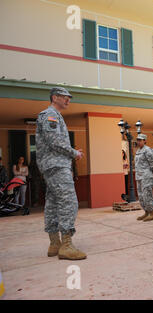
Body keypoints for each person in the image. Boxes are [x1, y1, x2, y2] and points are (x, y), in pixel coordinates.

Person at [36, 87, 85, 260]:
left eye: (69, 98)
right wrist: (74, 153)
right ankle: (66, 244)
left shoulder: (53, 115)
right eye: (65, 97)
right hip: (56, 166)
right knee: (69, 202)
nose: (68, 100)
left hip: (52, 166)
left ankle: (54, 243)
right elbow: (54, 141)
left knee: (53, 203)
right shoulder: (50, 115)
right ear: (54, 97)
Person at [135, 134, 153, 222]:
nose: (139, 142)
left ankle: (151, 213)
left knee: (147, 195)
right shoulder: (138, 151)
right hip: (139, 176)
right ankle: (146, 212)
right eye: (138, 140)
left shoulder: (147, 150)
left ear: (145, 141)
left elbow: (152, 163)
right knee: (141, 195)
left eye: (140, 140)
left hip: (146, 176)